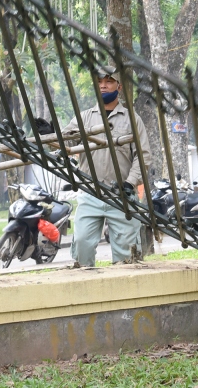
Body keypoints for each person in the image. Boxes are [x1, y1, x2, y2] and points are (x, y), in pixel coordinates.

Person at [63, 66, 142, 267]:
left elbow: (143, 158)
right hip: (91, 193)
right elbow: (67, 141)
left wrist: (130, 183)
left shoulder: (132, 119)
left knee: (127, 257)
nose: (103, 86)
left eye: (108, 81)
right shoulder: (85, 118)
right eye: (99, 82)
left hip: (121, 194)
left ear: (119, 86)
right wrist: (53, 134)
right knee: (81, 245)